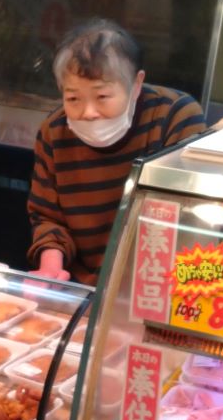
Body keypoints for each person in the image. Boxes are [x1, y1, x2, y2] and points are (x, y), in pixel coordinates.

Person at [28, 19, 206, 284]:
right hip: (86, 288)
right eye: (73, 98)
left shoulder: (175, 115)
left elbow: (190, 215)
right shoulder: (54, 132)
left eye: (102, 97)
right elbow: (48, 218)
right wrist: (50, 272)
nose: (88, 112)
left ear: (136, 84)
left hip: (163, 280)